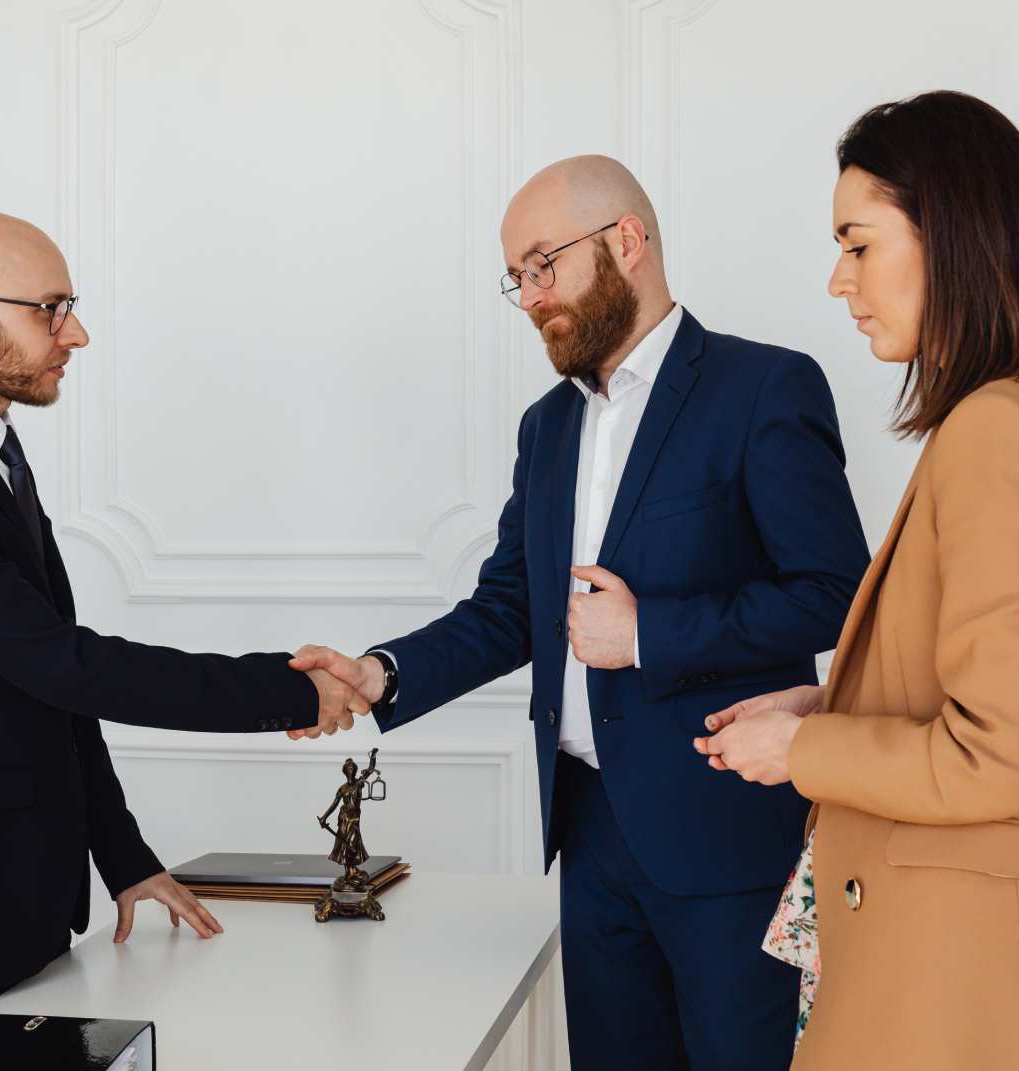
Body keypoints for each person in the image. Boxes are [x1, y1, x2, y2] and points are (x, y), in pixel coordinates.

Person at [292, 155, 870, 1069]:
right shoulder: (547, 426)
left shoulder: (765, 388)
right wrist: (380, 673)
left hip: (726, 838)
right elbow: (510, 604)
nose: (529, 296)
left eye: (542, 264)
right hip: (589, 837)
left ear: (626, 242)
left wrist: (646, 634)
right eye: (516, 277)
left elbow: (836, 593)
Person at [0, 209, 367, 1020]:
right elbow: (68, 664)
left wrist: (125, 856)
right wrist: (288, 689)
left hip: (14, 919)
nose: (76, 335)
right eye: (51, 308)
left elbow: (49, 691)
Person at [696, 91, 1019, 1070]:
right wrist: (835, 700)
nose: (836, 279)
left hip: (964, 970)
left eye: (859, 244)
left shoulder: (992, 438)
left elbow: (999, 755)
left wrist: (805, 750)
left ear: (956, 236)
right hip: (993, 946)